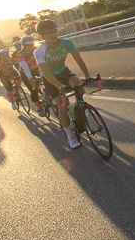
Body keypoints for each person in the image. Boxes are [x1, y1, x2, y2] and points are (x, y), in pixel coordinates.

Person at [34, 19, 93, 150]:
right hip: (49, 77)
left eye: (54, 30)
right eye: (47, 32)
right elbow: (46, 73)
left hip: (63, 71)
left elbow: (79, 59)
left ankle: (79, 107)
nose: (52, 34)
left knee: (79, 87)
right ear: (41, 36)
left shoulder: (66, 43)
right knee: (62, 104)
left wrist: (87, 75)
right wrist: (60, 86)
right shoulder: (39, 51)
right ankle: (70, 136)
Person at [15, 35, 44, 115]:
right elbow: (26, 68)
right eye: (28, 45)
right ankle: (38, 108)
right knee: (33, 90)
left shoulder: (38, 50)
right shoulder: (20, 54)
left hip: (37, 69)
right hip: (26, 73)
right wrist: (31, 78)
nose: (31, 47)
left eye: (32, 44)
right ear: (24, 46)